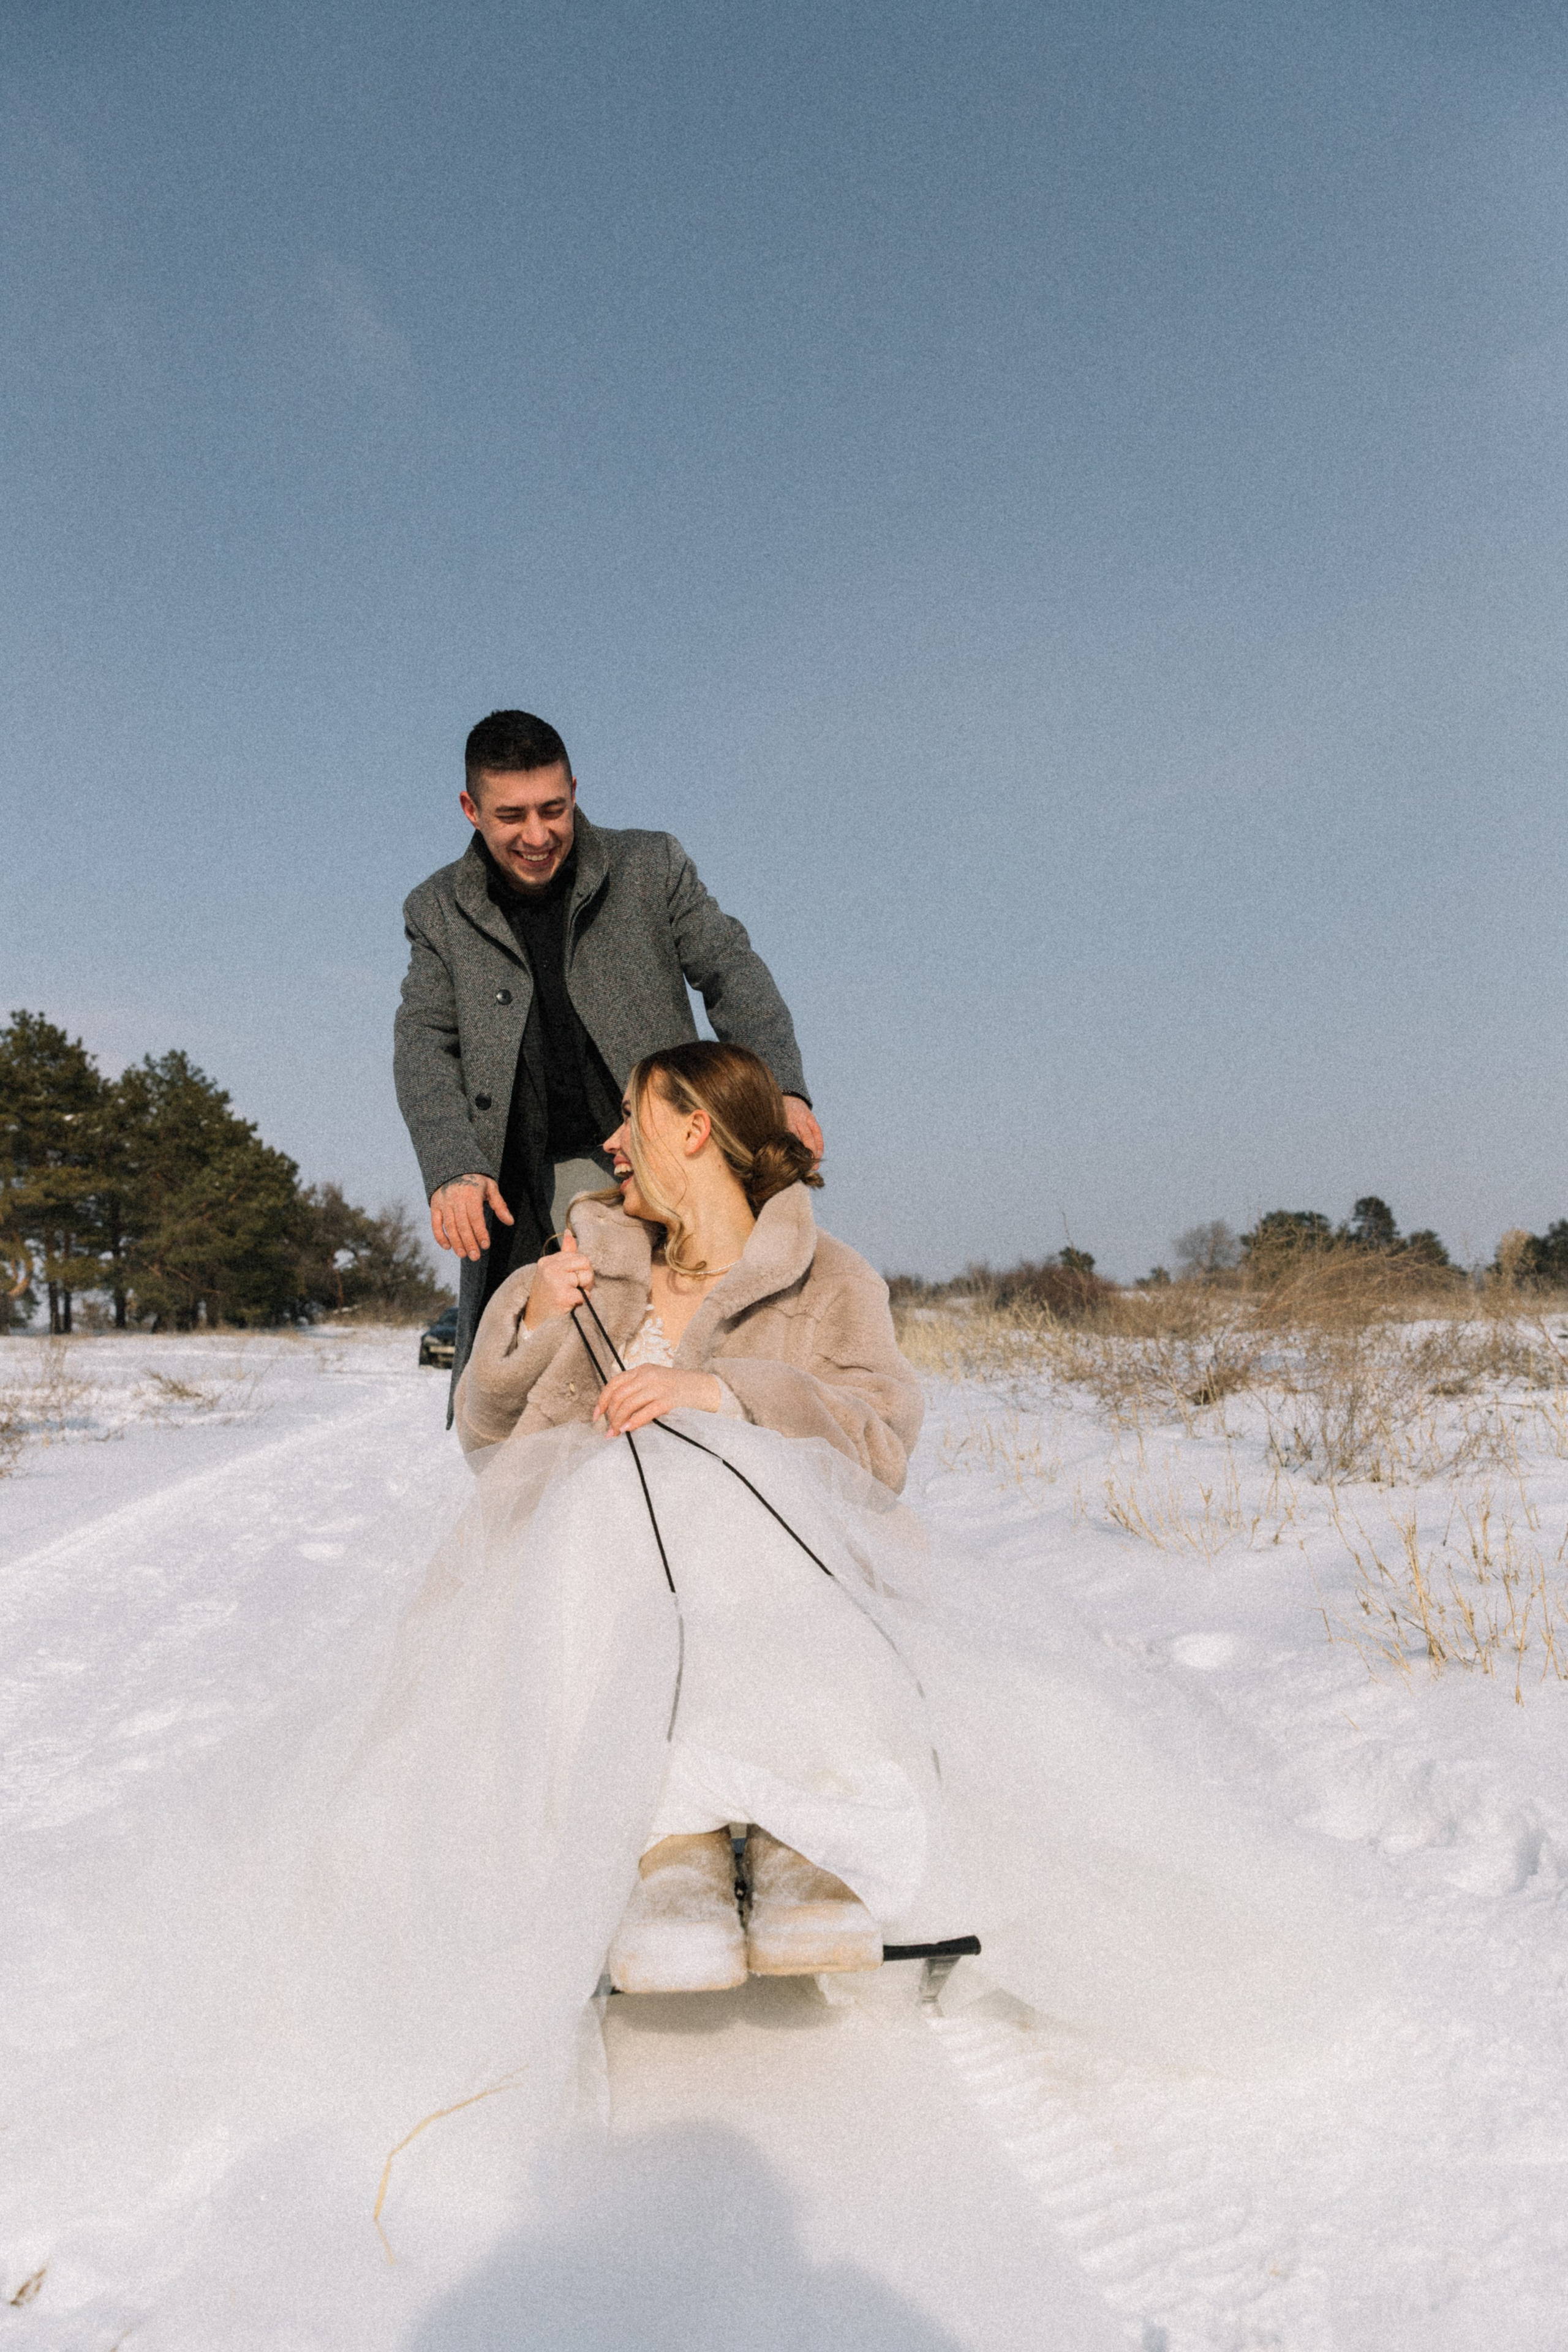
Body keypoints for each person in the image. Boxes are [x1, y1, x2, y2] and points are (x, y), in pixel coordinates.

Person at [455, 1039, 933, 1990]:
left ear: (693, 1127)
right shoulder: (580, 1265)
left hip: (779, 1589)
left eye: (631, 1115)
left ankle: (801, 1835)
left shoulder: (831, 1279)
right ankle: (667, 1845)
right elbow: (488, 1442)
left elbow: (881, 1451)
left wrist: (723, 1394)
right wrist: (536, 1320)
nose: (612, 1141)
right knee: (614, 1498)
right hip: (596, 1582)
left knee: (723, 1486)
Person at [394, 709, 823, 1401]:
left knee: (697, 1339)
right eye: (512, 816)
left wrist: (784, 1091)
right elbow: (423, 1040)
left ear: (575, 790)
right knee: (532, 1372)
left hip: (659, 1159)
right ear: (471, 809)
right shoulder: (436, 909)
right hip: (525, 1184)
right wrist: (452, 1165)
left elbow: (732, 972)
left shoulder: (651, 865)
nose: (537, 835)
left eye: (553, 809)